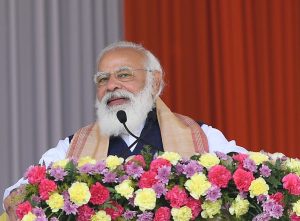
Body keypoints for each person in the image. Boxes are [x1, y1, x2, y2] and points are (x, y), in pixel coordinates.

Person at [3, 41, 247, 218]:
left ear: (154, 82)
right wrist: (23, 199)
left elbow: (248, 172)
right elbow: (16, 192)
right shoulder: (74, 146)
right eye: (102, 79)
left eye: (124, 75)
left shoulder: (200, 137)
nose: (111, 85)